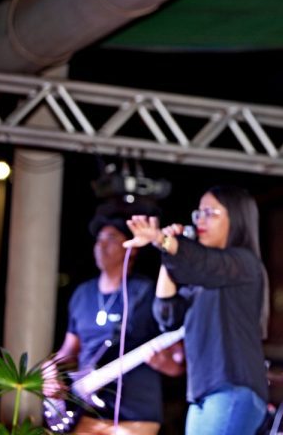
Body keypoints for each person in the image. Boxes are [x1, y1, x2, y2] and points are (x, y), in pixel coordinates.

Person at [124, 185, 270, 435]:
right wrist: (165, 250)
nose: (201, 220)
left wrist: (164, 240)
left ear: (236, 218)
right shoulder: (200, 278)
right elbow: (167, 315)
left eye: (211, 213)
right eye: (198, 213)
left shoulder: (244, 264)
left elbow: (203, 263)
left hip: (233, 389)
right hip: (203, 394)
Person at [44, 203, 185, 435]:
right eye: (99, 238)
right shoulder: (82, 294)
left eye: (111, 237)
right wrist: (49, 370)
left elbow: (178, 361)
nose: (101, 245)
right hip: (84, 410)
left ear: (131, 247)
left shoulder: (146, 292)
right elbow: (70, 350)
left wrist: (167, 364)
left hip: (136, 414)